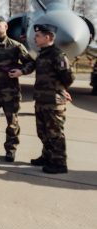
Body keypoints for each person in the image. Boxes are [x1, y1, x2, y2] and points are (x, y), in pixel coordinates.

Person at [10, 24, 74, 173]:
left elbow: (68, 77)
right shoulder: (42, 54)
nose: (35, 38)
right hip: (41, 101)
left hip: (53, 102)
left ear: (48, 37)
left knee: (55, 134)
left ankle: (59, 163)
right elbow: (32, 66)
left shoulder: (57, 55)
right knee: (43, 132)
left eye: (38, 36)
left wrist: (62, 90)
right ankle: (47, 156)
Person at [0, 16, 35, 162]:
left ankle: (10, 150)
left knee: (12, 122)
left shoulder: (16, 46)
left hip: (10, 92)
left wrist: (21, 71)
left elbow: (30, 63)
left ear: (6, 27)